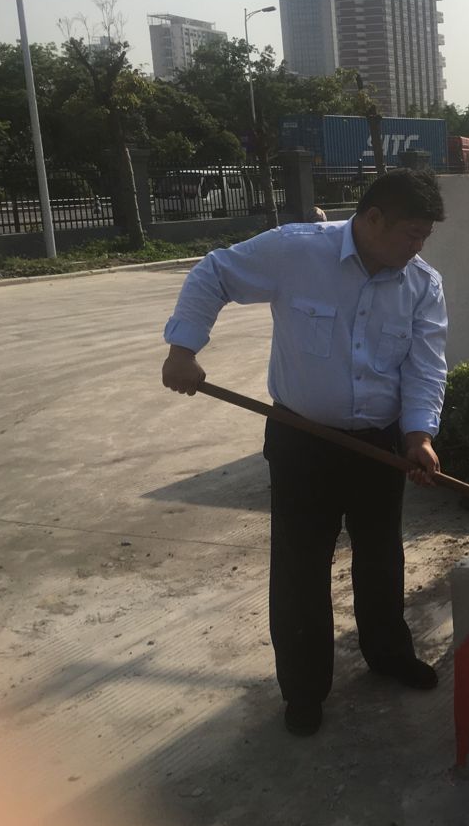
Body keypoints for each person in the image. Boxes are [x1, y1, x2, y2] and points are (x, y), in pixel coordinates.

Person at [160, 168, 448, 736]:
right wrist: (183, 349)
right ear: (372, 219)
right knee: (300, 568)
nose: (418, 248)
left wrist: (419, 435)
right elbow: (214, 273)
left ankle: (388, 654)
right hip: (302, 440)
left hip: (379, 444)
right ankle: (304, 689)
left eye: (424, 237)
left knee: (381, 557)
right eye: (411, 234)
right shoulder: (296, 252)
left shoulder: (421, 284)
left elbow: (425, 366)